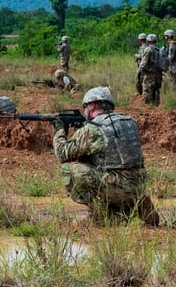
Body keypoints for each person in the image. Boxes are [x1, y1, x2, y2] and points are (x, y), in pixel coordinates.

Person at [53, 86, 159, 226]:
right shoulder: (129, 122)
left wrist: (60, 130)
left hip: (117, 186)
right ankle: (136, 204)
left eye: (85, 107)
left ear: (91, 105)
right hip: (139, 184)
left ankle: (102, 215)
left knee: (70, 170)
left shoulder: (92, 128)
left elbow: (62, 153)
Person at [137, 32, 163, 106]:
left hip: (149, 75)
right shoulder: (159, 50)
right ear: (156, 41)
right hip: (159, 75)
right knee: (156, 92)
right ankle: (156, 109)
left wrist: (140, 72)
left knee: (147, 93)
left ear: (148, 41)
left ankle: (148, 111)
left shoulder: (148, 49)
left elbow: (143, 63)